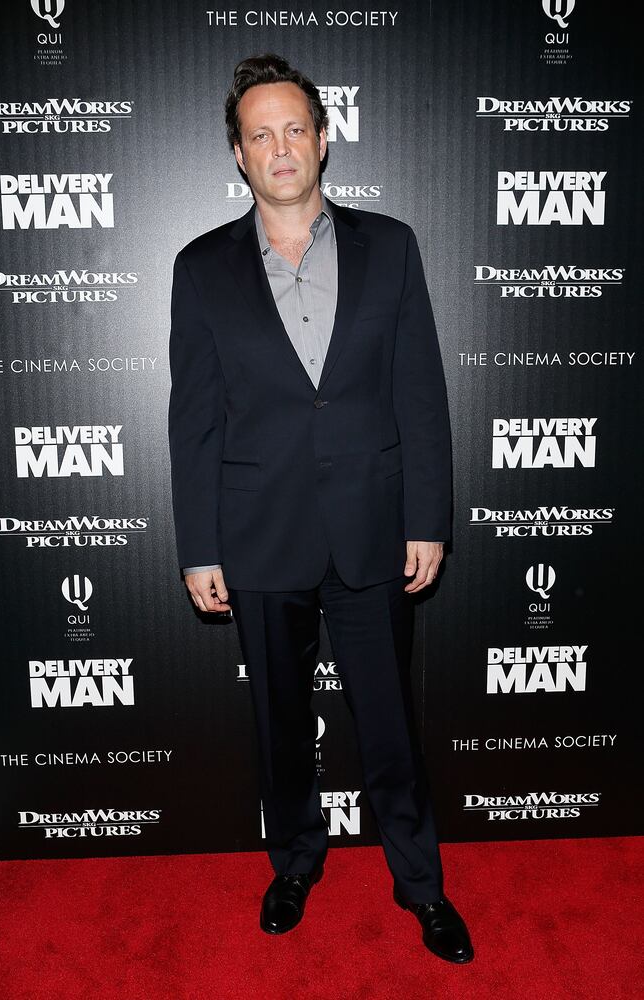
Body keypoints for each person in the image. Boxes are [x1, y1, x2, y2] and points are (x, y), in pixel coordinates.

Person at [168, 53, 473, 964]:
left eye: (294, 128)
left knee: (390, 724)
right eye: (259, 134)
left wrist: (428, 518)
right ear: (239, 154)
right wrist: (198, 546)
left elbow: (421, 394)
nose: (280, 147)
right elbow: (194, 419)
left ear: (323, 139)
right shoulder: (200, 267)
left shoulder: (393, 246)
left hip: (374, 528)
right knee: (278, 724)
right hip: (258, 535)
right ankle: (295, 864)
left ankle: (421, 884)